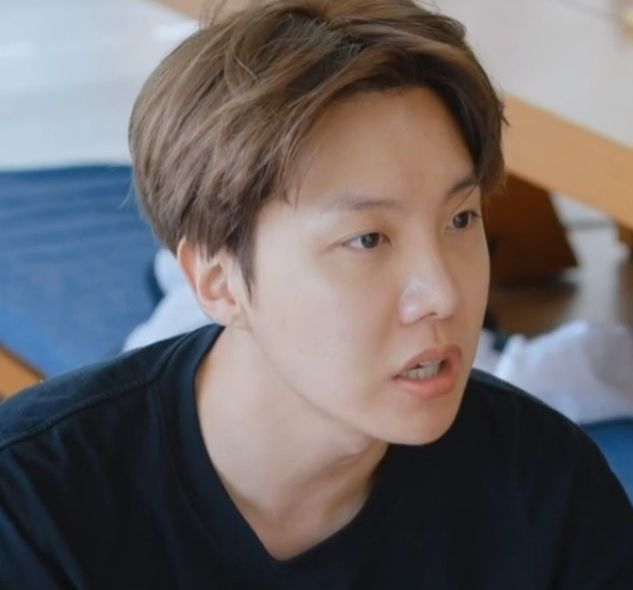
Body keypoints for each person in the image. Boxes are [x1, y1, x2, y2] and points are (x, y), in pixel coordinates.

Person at [1, 0, 631, 587]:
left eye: (460, 219)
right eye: (367, 239)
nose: (442, 293)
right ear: (217, 281)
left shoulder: (542, 485)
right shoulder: (33, 507)